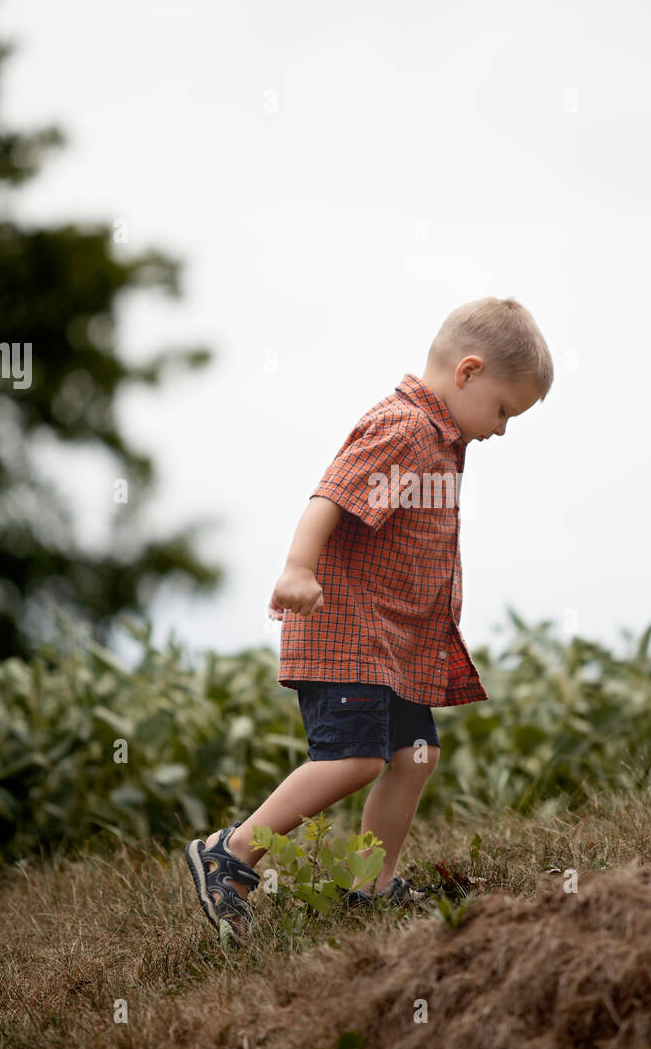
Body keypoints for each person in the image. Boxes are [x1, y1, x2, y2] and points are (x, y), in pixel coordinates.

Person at [185, 295, 554, 937]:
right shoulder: (405, 428)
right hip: (346, 633)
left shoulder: (439, 439)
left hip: (389, 644)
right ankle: (233, 854)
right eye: (502, 410)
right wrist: (298, 568)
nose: (500, 429)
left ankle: (369, 886)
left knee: (413, 754)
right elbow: (333, 492)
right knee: (354, 759)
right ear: (467, 372)